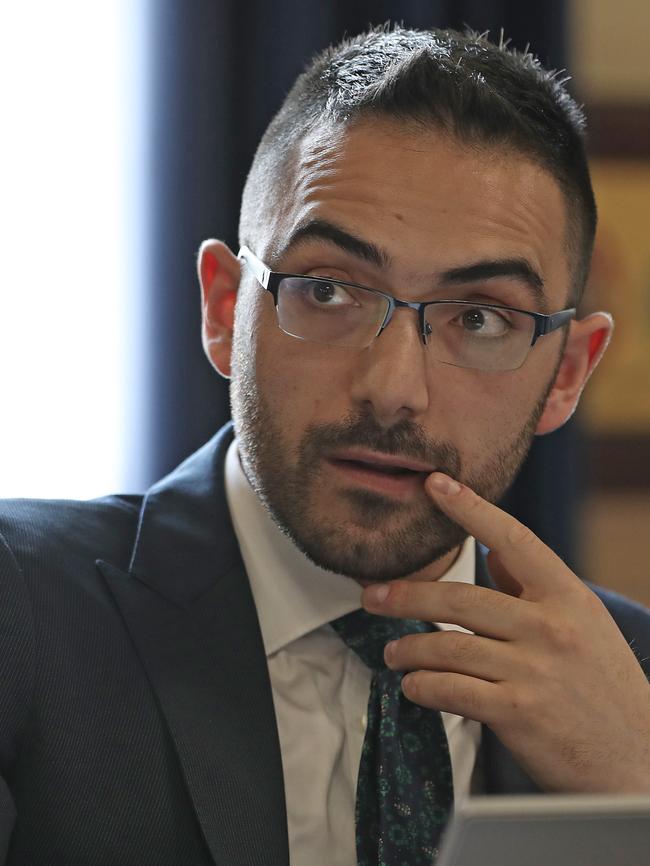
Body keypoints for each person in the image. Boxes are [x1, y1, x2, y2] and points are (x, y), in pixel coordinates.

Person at [1, 24, 649, 866]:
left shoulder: (633, 680)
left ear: (566, 373)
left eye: (480, 318)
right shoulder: (22, 610)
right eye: (329, 290)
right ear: (226, 309)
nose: (394, 387)